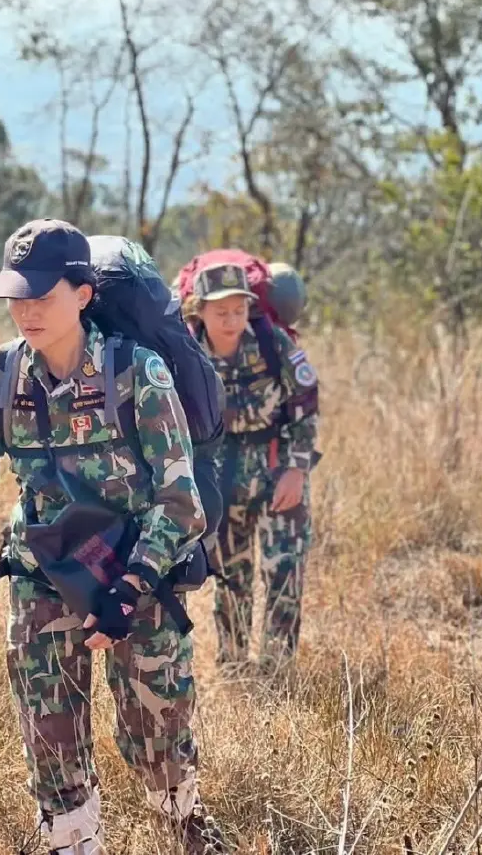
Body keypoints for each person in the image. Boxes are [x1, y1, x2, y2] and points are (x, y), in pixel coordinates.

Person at [0, 219, 229, 855]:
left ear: (84, 295)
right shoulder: (1, 375)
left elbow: (180, 503)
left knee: (156, 735)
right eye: (18, 297)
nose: (27, 311)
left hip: (139, 569)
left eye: (43, 296)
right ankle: (72, 840)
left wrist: (128, 592)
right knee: (50, 727)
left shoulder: (138, 373)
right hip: (46, 568)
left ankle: (184, 820)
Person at [189, 262, 320, 673]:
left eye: (238, 310)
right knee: (231, 578)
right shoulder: (188, 352)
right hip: (221, 478)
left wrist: (297, 471)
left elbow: (306, 404)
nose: (231, 321)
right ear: (199, 311)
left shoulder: (271, 342)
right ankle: (232, 666)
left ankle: (277, 668)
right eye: (220, 312)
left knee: (285, 570)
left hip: (276, 469)